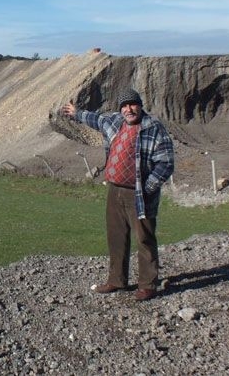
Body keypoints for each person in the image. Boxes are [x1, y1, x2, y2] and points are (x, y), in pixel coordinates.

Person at [61, 88, 175, 301]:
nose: (128, 109)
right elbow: (95, 119)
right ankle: (116, 280)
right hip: (115, 190)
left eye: (132, 104)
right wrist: (76, 113)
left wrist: (148, 188)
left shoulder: (153, 128)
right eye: (124, 106)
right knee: (116, 236)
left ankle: (148, 285)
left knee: (144, 238)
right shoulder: (114, 122)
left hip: (140, 194)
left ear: (140, 106)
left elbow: (166, 162)